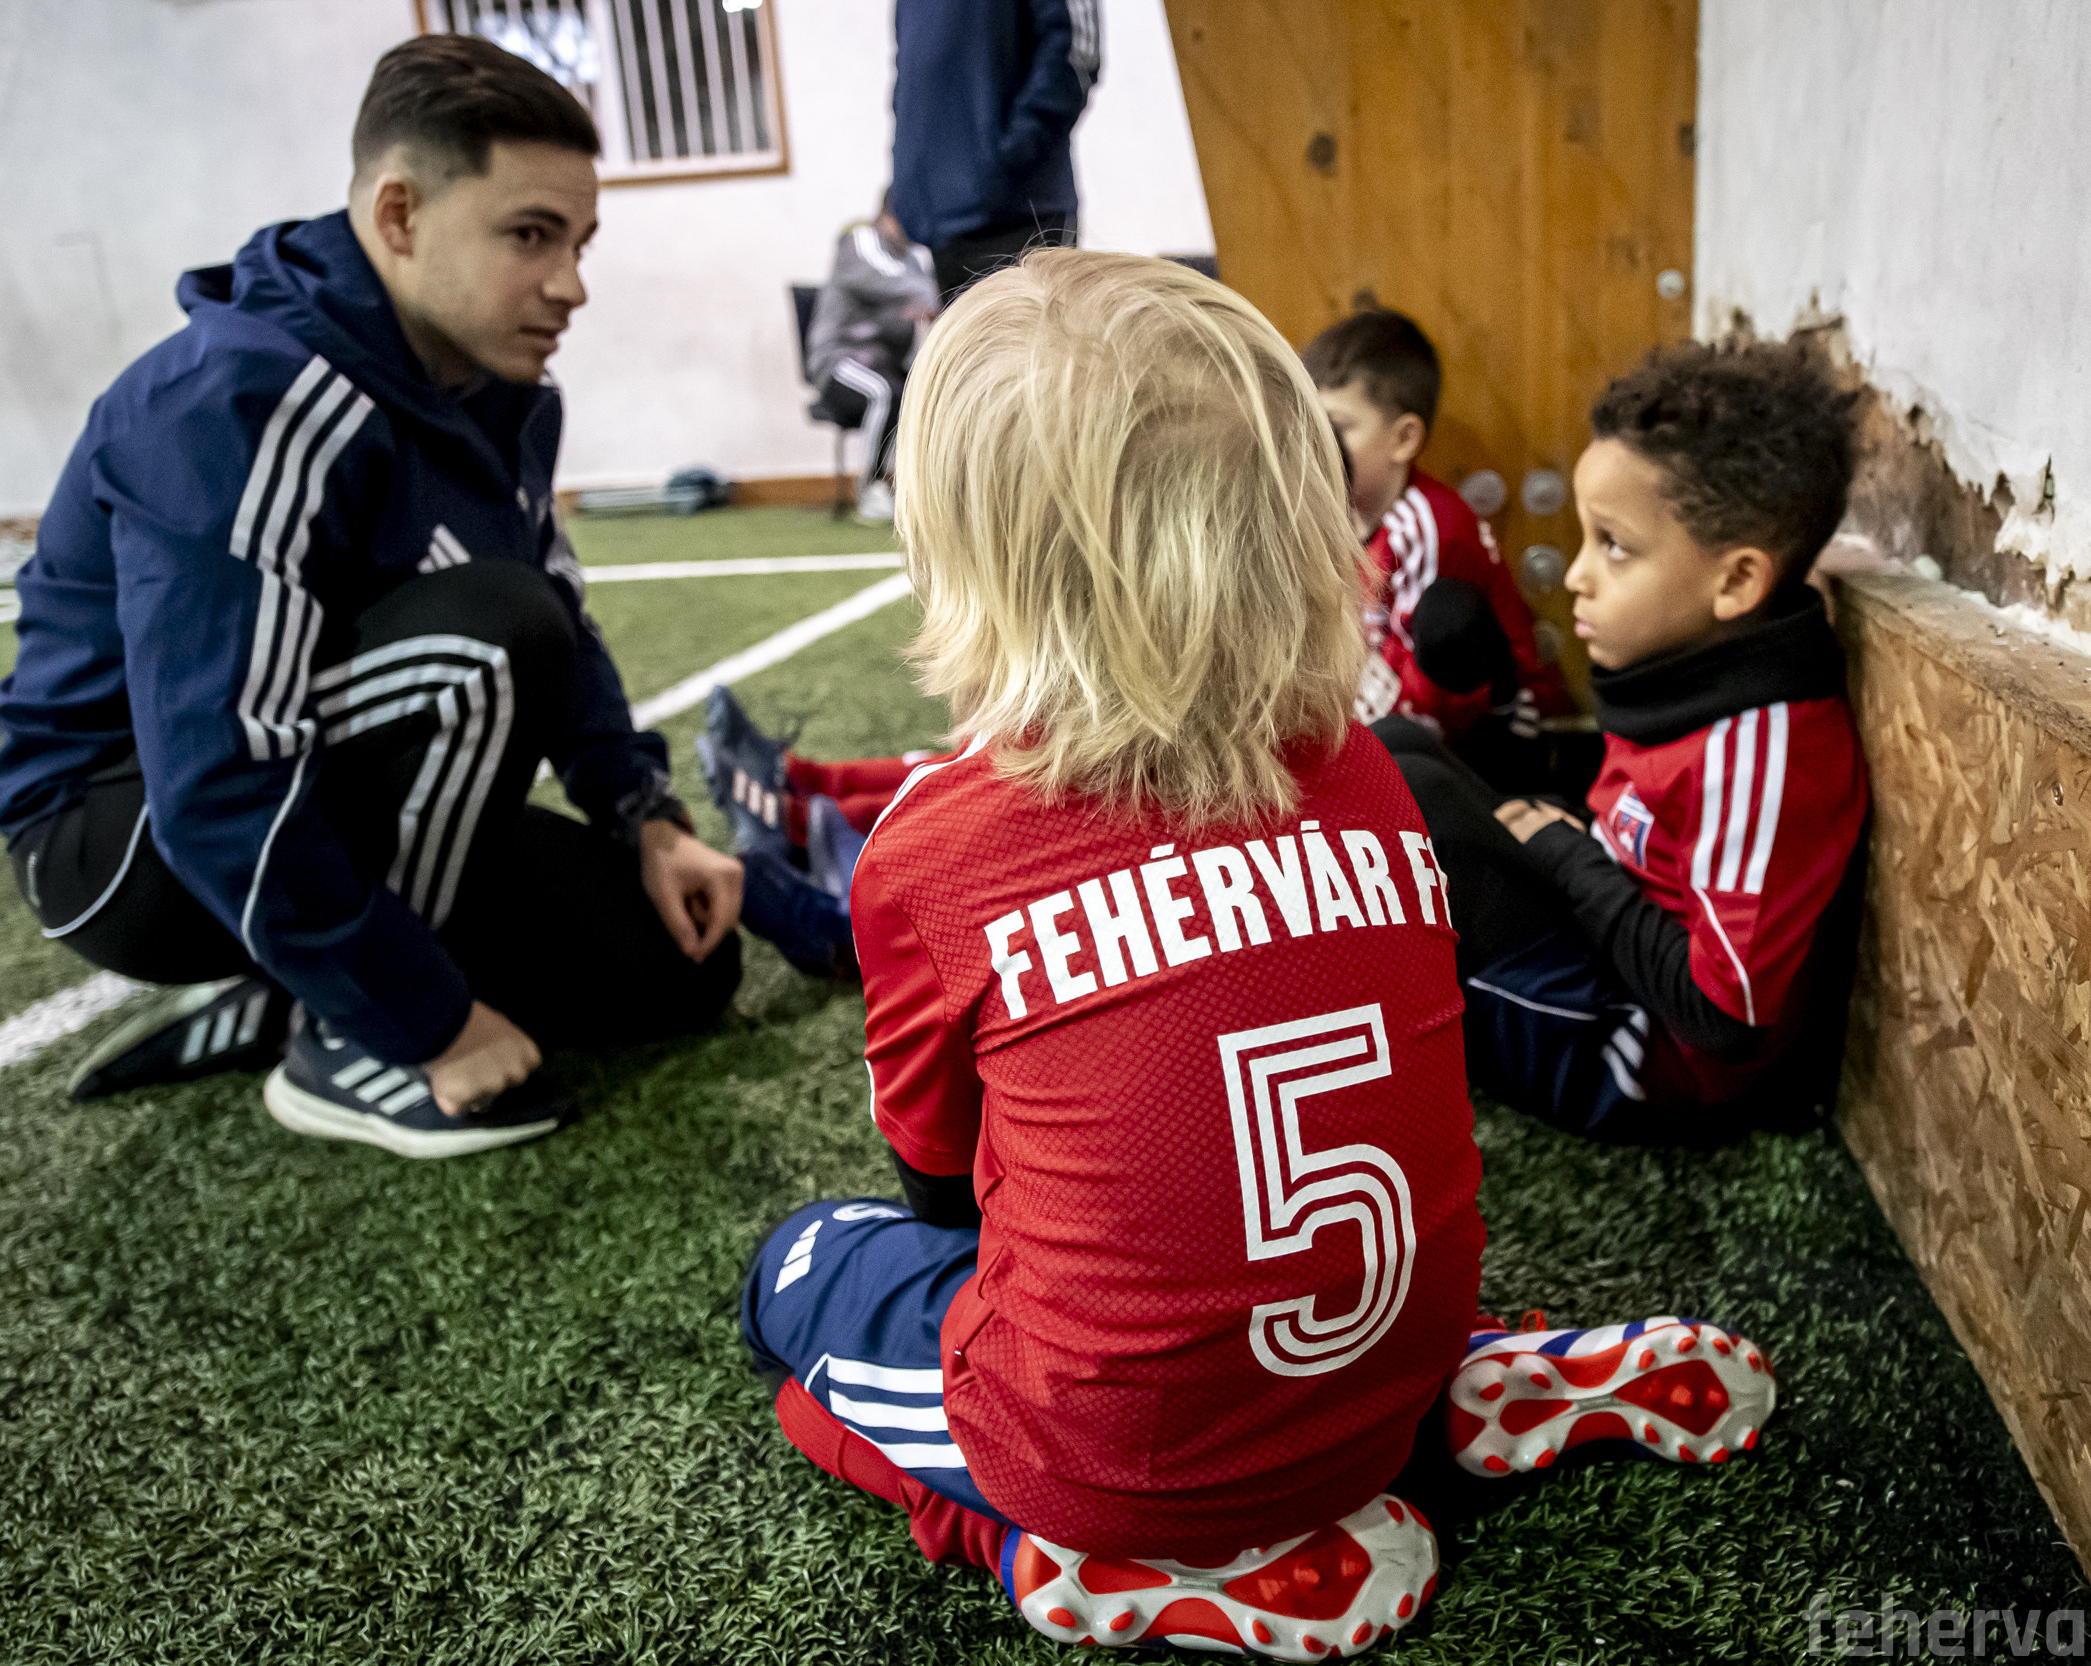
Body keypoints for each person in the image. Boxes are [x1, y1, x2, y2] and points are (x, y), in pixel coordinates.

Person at [731, 251, 1779, 1659]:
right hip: (1390, 1355)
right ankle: (1457, 1387)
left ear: (969, 562)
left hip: (1132, 1443)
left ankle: (1083, 1551)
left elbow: (938, 1182)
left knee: (798, 1280)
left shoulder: (933, 846)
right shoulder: (1368, 769)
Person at [0, 35, 746, 1158]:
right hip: (125, 834)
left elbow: (566, 623)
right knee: (495, 641)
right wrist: (427, 1019)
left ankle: (294, 979)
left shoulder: (502, 389)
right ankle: (350, 1030)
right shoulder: (239, 400)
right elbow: (214, 776)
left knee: (680, 969)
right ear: (399, 215)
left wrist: (648, 819)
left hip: (313, 774)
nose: (571, 285)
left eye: (579, 243)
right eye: (530, 235)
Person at [1380, 341, 1870, 1143]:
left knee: (1417, 802)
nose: (1577, 576)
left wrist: (1568, 858)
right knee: (1397, 747)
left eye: (1613, 545)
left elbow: (1724, 1020)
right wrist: (1571, 847)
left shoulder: (1763, 749)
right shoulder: (1701, 673)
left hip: (1638, 1056)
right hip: (1602, 940)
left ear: (1736, 581)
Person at [1304, 309, 1571, 793]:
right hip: (1403, 700)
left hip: (1490, 732)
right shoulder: (1341, 512)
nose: (1320, 442)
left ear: (1404, 438)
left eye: (1338, 426)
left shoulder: (1428, 526)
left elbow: (1429, 697)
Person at [890, 0, 1101, 307]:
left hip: (1018, 217)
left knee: (1035, 337)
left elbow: (1074, 50)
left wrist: (1010, 157)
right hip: (942, 224)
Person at [805, 196, 938, 525]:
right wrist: (929, 294)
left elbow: (913, 306)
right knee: (885, 393)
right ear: (887, 214)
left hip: (885, 363)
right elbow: (886, 277)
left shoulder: (913, 261)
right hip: (840, 360)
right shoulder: (860, 239)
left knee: (931, 393)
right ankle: (872, 489)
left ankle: (924, 491)